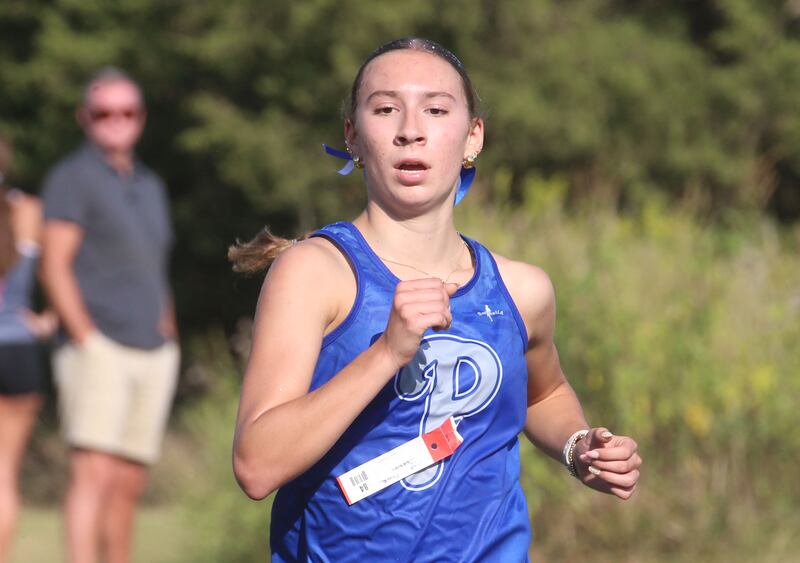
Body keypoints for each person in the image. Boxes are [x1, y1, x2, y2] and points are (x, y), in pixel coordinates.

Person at [231, 38, 642, 562]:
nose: (410, 129)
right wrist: (386, 354)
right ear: (352, 137)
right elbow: (256, 465)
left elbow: (543, 394)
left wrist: (578, 447)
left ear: (473, 137)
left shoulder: (522, 289)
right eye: (385, 109)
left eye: (436, 109)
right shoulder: (316, 272)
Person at [40, 68, 179, 563]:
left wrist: (169, 332)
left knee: (128, 483)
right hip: (99, 348)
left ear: (140, 117)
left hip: (153, 350)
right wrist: (85, 337)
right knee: (92, 475)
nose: (115, 121)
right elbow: (54, 266)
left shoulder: (150, 183)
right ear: (85, 118)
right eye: (103, 112)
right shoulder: (72, 178)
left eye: (127, 111)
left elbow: (152, 266)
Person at [0, 134, 57, 563]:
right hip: (19, 349)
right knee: (4, 478)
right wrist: (49, 318)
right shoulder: (29, 210)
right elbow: (68, 264)